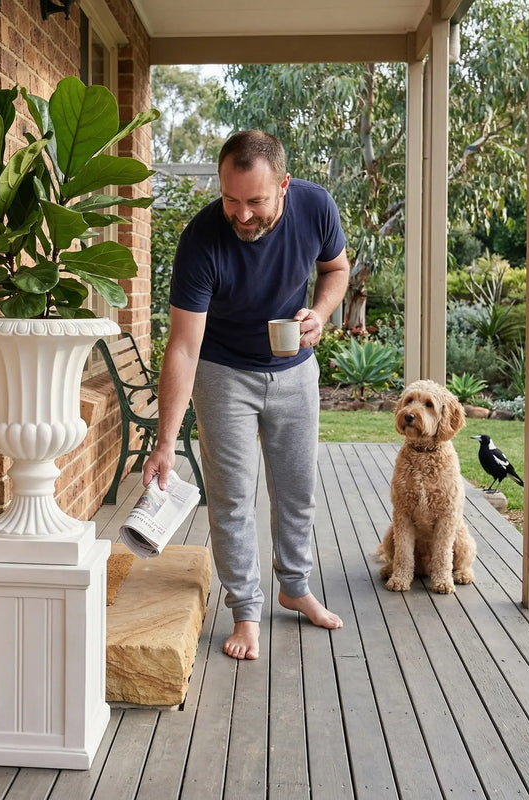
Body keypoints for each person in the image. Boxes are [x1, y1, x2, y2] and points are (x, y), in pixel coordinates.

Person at [142, 130, 351, 660]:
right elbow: (184, 348)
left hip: (295, 369)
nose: (241, 214)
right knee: (233, 498)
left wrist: (319, 315)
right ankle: (245, 612)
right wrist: (166, 442)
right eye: (230, 199)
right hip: (223, 371)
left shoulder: (316, 207)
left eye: (255, 201)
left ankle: (295, 587)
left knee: (297, 489)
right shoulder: (202, 239)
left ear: (283, 185)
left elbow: (336, 268)